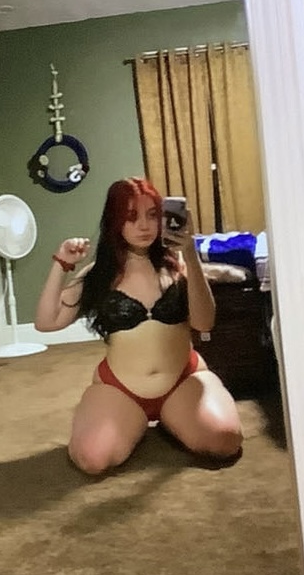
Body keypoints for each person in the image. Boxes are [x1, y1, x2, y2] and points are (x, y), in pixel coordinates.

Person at [35, 177, 242, 475]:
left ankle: (171, 420)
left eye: (152, 214)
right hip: (120, 388)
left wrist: (190, 253)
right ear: (115, 221)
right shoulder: (99, 274)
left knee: (225, 441)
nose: (144, 226)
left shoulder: (178, 268)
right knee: (92, 459)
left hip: (183, 380)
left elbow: (204, 322)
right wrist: (62, 263)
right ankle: (132, 421)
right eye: (131, 216)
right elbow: (46, 322)